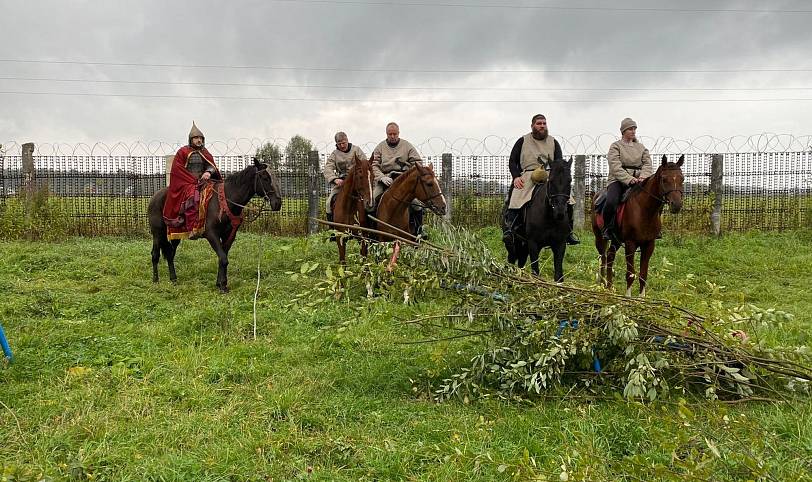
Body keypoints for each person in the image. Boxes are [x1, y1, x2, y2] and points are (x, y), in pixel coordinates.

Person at [502, 114, 579, 247]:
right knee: (516, 197)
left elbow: (559, 162)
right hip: (528, 175)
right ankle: (511, 229)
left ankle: (568, 232)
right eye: (539, 123)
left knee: (568, 199)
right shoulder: (522, 141)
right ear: (532, 126)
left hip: (550, 175)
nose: (542, 126)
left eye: (544, 123)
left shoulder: (553, 142)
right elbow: (512, 161)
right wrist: (516, 177)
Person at [162, 122, 221, 240]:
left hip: (203, 181)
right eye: (196, 138)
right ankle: (192, 228)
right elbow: (177, 170)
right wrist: (193, 180)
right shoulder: (183, 152)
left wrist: (208, 172)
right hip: (186, 182)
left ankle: (215, 224)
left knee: (217, 193)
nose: (199, 140)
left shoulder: (205, 152)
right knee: (192, 196)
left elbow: (212, 166)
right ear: (190, 139)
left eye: (200, 138)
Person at [602, 117, 652, 245]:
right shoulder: (616, 146)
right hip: (618, 180)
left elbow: (647, 164)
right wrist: (629, 179)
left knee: (653, 200)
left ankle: (652, 229)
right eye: (630, 128)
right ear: (623, 131)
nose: (633, 131)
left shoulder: (641, 147)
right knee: (611, 201)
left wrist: (644, 176)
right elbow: (615, 166)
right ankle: (608, 228)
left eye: (634, 128)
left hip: (639, 180)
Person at [370, 122, 426, 234]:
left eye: (394, 134)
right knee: (372, 203)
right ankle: (372, 231)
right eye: (390, 134)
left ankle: (419, 230)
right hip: (386, 180)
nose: (392, 136)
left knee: (417, 205)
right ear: (386, 134)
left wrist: (408, 174)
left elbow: (418, 163)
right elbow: (373, 165)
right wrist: (381, 177)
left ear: (398, 133)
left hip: (403, 180)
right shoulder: (380, 147)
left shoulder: (407, 146)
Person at [323, 131, 367, 223]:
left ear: (347, 140)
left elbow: (364, 164)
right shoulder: (334, 154)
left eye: (344, 143)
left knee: (367, 202)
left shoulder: (357, 150)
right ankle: (332, 229)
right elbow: (328, 168)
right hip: (342, 183)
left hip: (356, 182)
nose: (342, 146)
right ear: (336, 144)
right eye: (339, 144)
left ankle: (367, 226)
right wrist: (335, 179)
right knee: (328, 203)